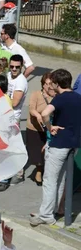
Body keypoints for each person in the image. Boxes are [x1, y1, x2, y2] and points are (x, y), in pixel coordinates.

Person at [31, 69, 81, 226]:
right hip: (74, 144)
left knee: (50, 180)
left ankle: (46, 215)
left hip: (59, 144)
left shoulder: (59, 99)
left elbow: (45, 113)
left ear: (57, 84)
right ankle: (53, 211)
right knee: (61, 179)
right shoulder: (78, 97)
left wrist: (50, 126)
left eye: (52, 82)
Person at [26, 73, 55, 186]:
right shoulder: (36, 94)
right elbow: (32, 109)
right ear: (43, 85)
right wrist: (38, 115)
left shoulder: (55, 97)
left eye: (51, 84)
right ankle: (39, 172)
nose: (49, 86)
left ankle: (46, 173)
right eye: (46, 84)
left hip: (48, 129)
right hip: (35, 128)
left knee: (48, 154)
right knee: (38, 154)